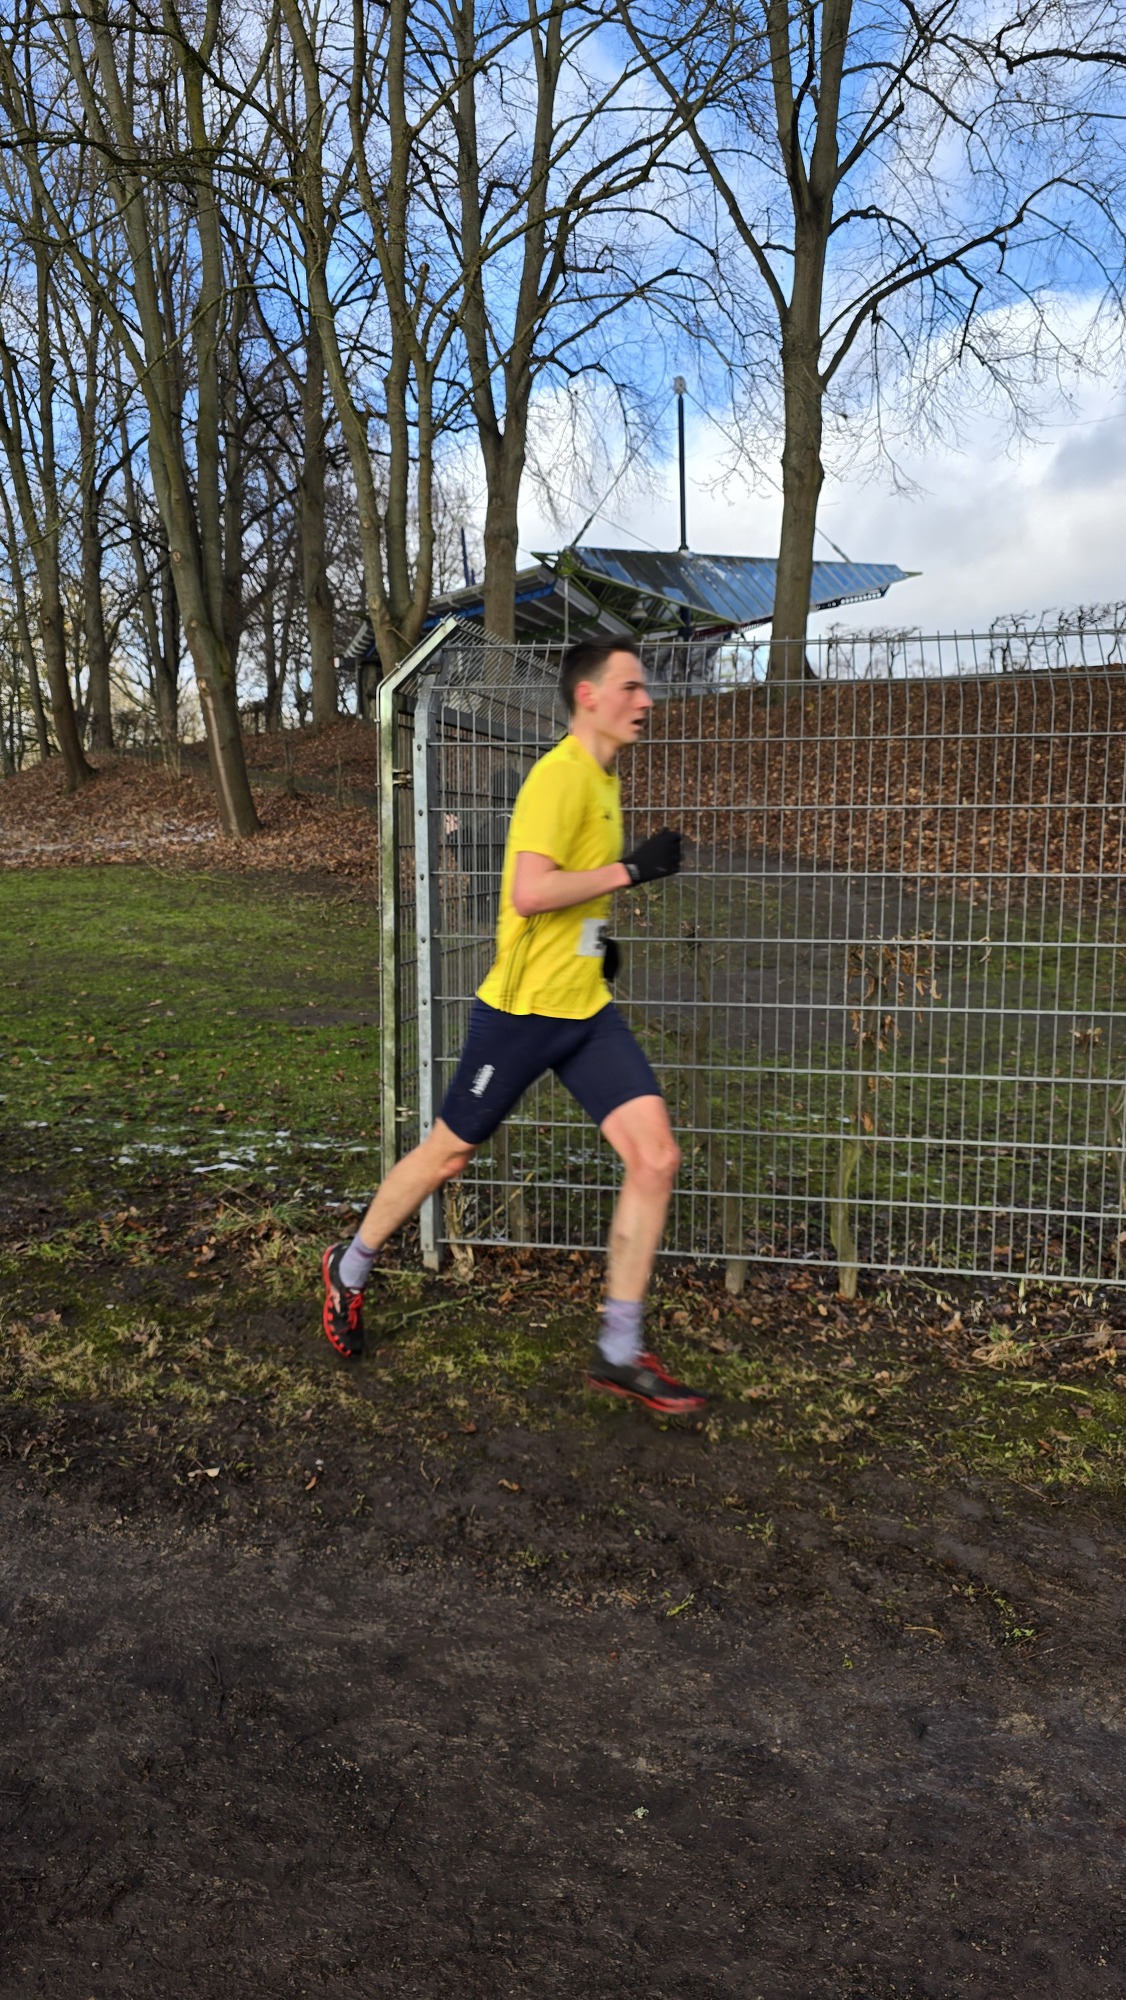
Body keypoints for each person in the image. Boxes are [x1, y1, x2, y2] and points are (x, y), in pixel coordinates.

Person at [321, 637, 707, 1416]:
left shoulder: (604, 777)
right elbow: (529, 892)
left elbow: (569, 897)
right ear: (589, 696)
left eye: (646, 689)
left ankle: (618, 1349)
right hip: (521, 1015)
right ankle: (348, 1267)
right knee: (448, 1154)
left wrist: (596, 942)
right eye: (631, 688)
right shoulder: (560, 777)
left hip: (585, 1012)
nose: (646, 701)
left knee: (655, 1157)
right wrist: (633, 870)